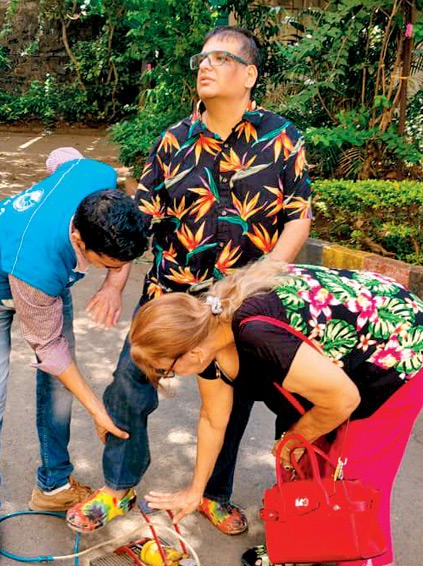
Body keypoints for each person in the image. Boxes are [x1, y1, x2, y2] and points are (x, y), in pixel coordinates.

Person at [69, 25, 312, 534]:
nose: (205, 65)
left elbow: (298, 215)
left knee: (232, 398)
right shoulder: (173, 141)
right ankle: (118, 487)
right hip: (169, 296)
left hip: (241, 304)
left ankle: (213, 493)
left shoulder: (282, 137)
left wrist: (266, 274)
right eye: (202, 58)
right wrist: (114, 283)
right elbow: (138, 222)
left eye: (220, 58)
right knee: (129, 386)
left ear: (249, 75)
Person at [128, 261, 423, 566]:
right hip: (339, 354)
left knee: (353, 475)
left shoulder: (257, 336)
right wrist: (196, 491)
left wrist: (294, 438)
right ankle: (307, 543)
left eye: (166, 370)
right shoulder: (206, 337)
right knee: (303, 452)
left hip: (400, 346)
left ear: (190, 353)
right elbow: (213, 419)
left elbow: (344, 398)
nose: (168, 378)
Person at [0, 150, 147, 566]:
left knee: (60, 391)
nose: (114, 269)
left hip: (41, 273)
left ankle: (53, 486)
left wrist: (115, 284)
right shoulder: (38, 266)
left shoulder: (95, 176)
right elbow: (50, 351)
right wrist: (98, 409)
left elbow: (61, 158)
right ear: (79, 240)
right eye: (107, 265)